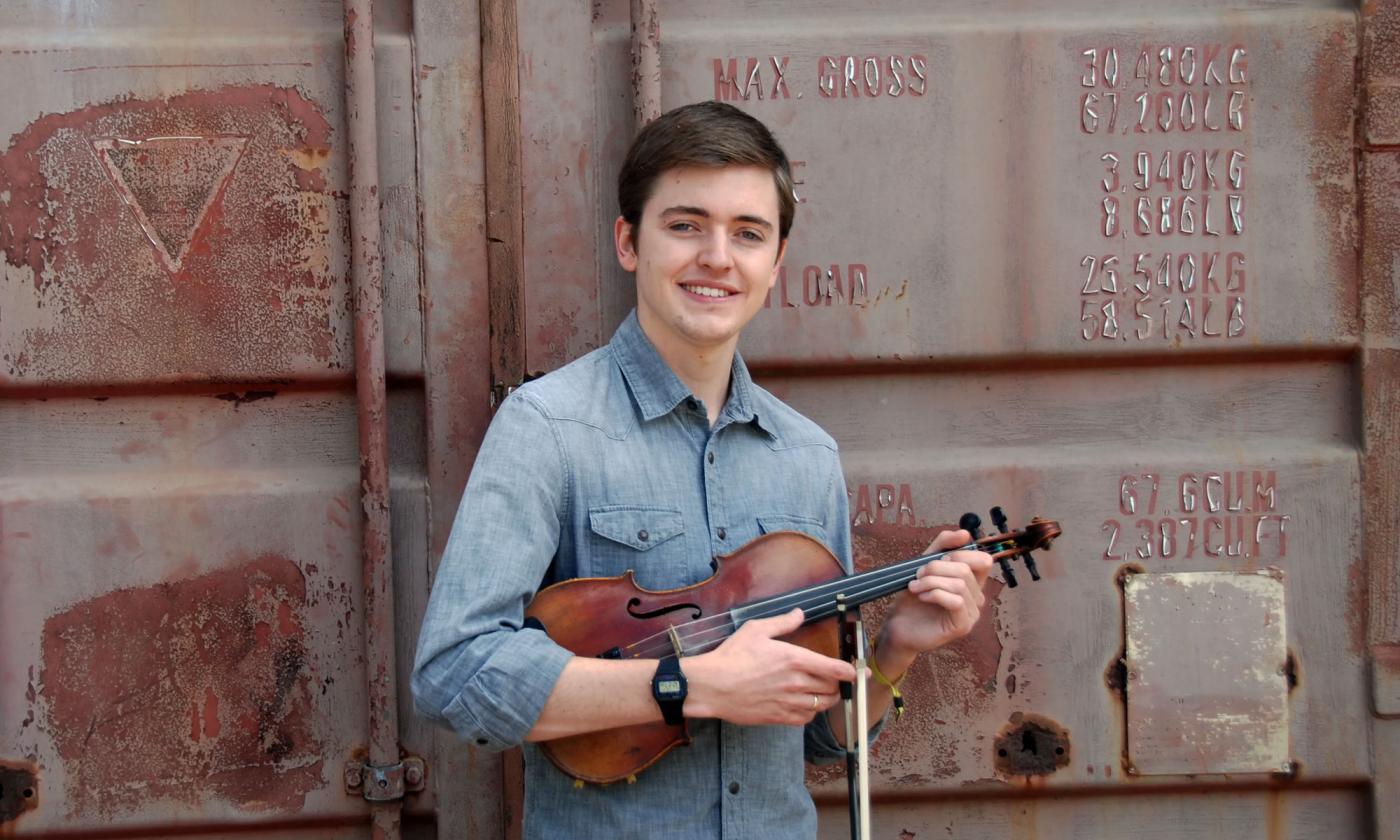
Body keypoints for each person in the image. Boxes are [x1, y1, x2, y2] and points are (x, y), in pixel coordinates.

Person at [411, 100, 994, 839]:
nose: (717, 256)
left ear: (775, 263)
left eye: (748, 234)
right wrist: (686, 684)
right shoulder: (547, 428)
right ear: (629, 242)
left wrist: (897, 647)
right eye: (685, 225)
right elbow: (456, 673)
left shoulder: (806, 455)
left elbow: (822, 738)